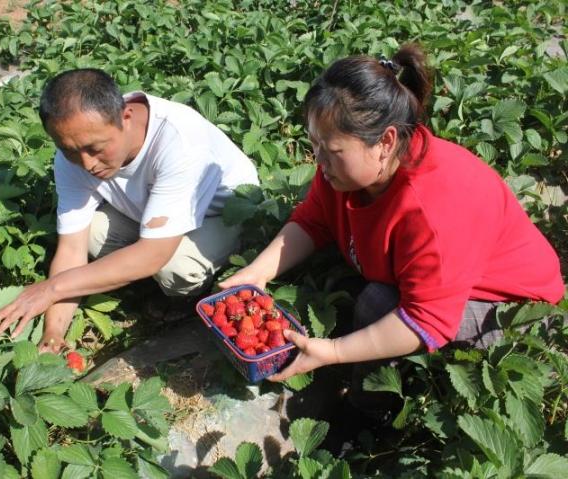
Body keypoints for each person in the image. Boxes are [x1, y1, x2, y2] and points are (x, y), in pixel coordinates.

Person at [219, 44, 564, 390]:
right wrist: (255, 273)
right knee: (351, 287)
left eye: (333, 150)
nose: (319, 161)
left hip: (511, 309)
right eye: (315, 144)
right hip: (435, 281)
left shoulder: (433, 208)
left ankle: (365, 414)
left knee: (378, 303)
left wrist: (333, 350)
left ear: (385, 141)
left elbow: (426, 317)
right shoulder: (347, 172)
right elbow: (314, 219)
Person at [0, 68, 259, 352]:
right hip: (150, 213)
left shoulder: (180, 141)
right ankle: (135, 277)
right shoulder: (75, 150)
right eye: (69, 151)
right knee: (91, 234)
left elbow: (153, 256)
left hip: (225, 214)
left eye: (96, 149)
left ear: (126, 117)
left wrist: (50, 289)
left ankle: (194, 292)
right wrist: (53, 333)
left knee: (175, 267)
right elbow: (71, 250)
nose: (87, 164)